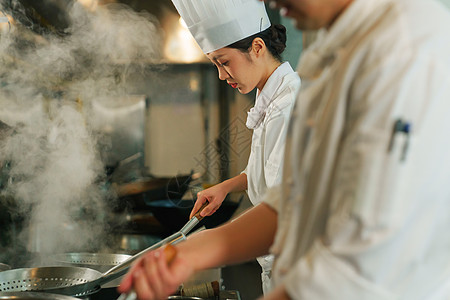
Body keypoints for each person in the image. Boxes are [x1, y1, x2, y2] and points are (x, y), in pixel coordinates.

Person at [119, 0, 450, 299]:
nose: (274, 2)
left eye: (224, 62)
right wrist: (190, 253)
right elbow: (295, 198)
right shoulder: (332, 55)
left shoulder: (404, 53)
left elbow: (363, 256)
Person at [180, 0, 300, 293]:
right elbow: (268, 169)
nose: (222, 75)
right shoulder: (270, 97)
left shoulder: (288, 108)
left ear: (257, 47)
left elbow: (284, 208)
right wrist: (226, 187)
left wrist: (208, 244)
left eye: (224, 62)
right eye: (216, 65)